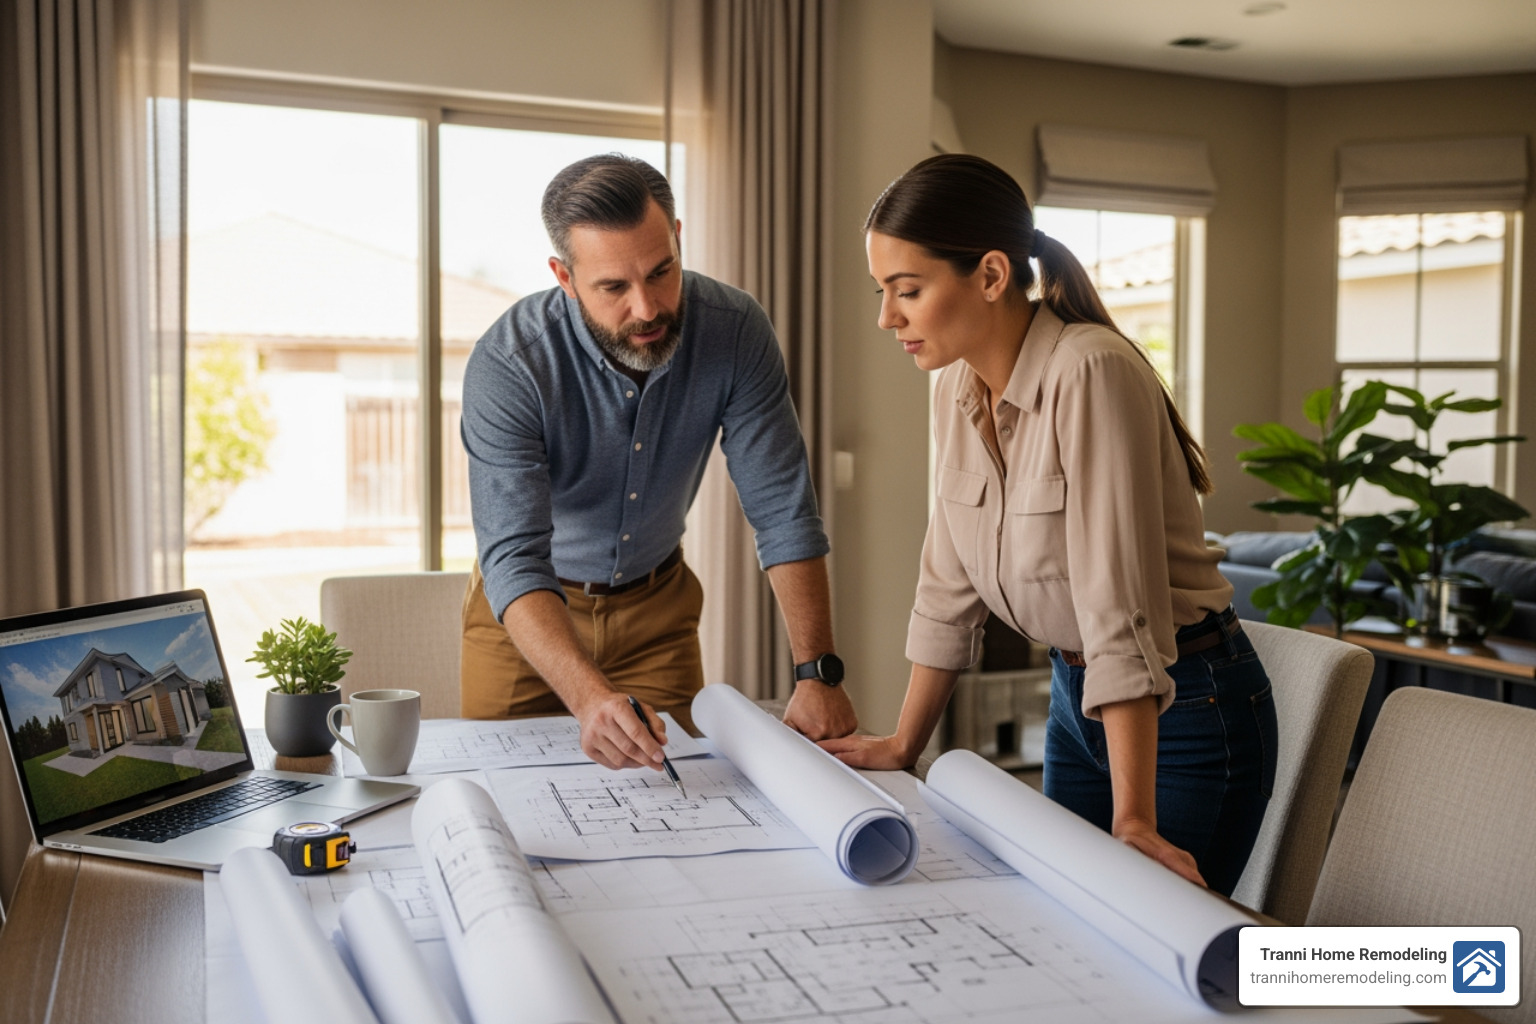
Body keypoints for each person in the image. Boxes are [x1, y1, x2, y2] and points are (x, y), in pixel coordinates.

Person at [821, 154, 1277, 896]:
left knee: (1151, 932)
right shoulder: (956, 386)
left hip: (1186, 710)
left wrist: (1134, 817)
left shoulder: (1090, 371)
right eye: (883, 292)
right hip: (1076, 697)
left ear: (991, 275)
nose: (887, 317)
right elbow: (948, 587)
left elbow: (1116, 605)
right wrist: (904, 743)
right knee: (1068, 912)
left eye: (908, 290)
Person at [460, 153, 857, 772]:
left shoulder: (735, 330)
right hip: (529, 623)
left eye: (661, 272)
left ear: (676, 237)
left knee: (686, 795)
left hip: (658, 616)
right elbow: (513, 556)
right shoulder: (509, 363)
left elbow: (782, 510)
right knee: (503, 796)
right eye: (613, 288)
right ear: (565, 276)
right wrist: (589, 699)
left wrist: (818, 673)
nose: (647, 308)